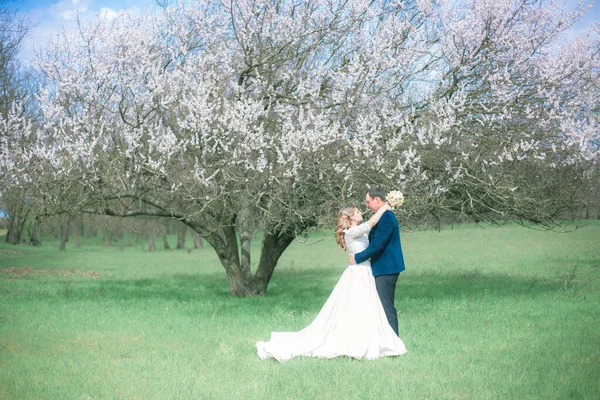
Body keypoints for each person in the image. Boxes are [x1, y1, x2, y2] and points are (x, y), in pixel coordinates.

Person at [255, 203, 407, 362]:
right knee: (359, 306)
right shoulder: (352, 231)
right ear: (351, 217)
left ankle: (369, 340)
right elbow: (372, 223)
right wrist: (385, 207)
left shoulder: (356, 231)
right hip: (359, 273)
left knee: (366, 307)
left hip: (364, 271)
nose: (361, 212)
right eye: (357, 211)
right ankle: (356, 344)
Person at [349, 187, 405, 335]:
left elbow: (377, 245)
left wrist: (357, 257)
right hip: (382, 267)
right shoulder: (382, 216)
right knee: (381, 305)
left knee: (385, 305)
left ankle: (394, 341)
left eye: (368, 202)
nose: (367, 205)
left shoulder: (386, 218)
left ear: (377, 200)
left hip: (387, 267)